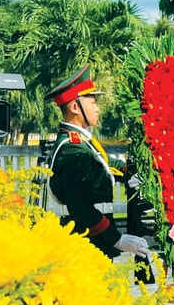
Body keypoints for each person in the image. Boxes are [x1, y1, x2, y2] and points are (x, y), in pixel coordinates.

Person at [45, 65, 154, 281]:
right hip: (84, 239)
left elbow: (104, 162)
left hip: (91, 239)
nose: (97, 108)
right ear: (75, 107)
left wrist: (130, 172)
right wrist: (117, 239)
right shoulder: (72, 149)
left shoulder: (82, 142)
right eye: (93, 102)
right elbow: (80, 207)